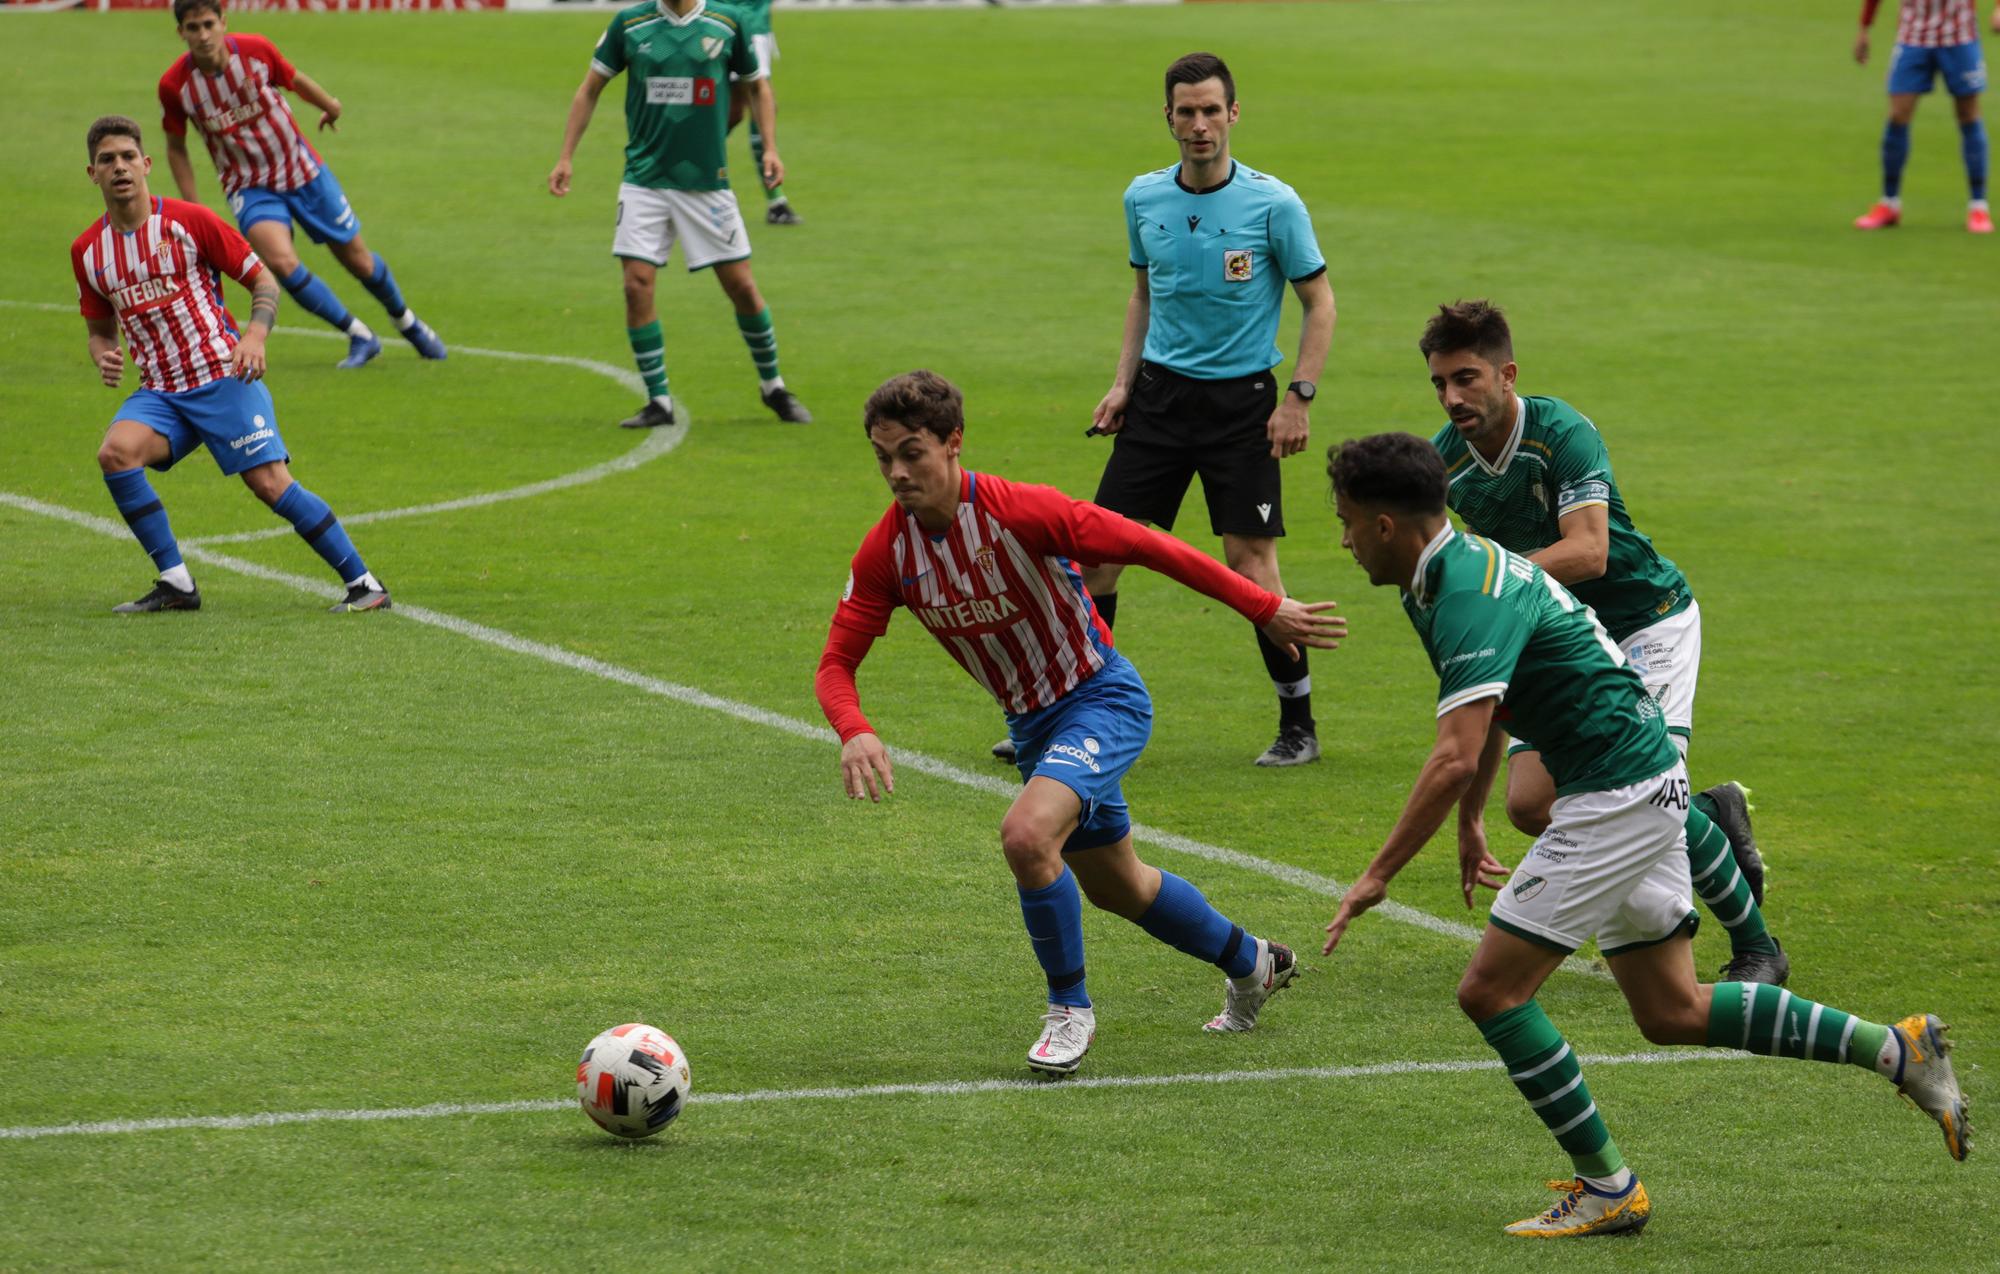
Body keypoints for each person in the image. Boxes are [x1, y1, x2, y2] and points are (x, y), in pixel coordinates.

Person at [1320, 432, 1967, 1237]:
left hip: (1612, 792)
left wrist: (1376, 876)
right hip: (1638, 775)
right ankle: (1897, 1048)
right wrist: (1473, 821)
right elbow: (1482, 720)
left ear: (1386, 524)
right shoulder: (1447, 573)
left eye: (1347, 521)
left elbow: (1452, 755)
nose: (1342, 540)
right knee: (1670, 1010)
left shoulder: (1461, 591)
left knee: (1491, 992)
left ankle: (1609, 1188)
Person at [816, 371, 1345, 1075]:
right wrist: (854, 728)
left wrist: (1261, 605)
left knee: (1027, 835)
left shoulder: (1020, 511)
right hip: (1036, 729)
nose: (897, 471)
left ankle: (1069, 1012)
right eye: (884, 457)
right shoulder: (888, 553)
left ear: (953, 443)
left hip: (1102, 699)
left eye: (912, 452)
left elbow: (1149, 546)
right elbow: (835, 664)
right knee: (1117, 886)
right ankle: (1254, 961)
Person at [1419, 301, 1788, 986]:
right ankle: (1716, 813)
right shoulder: (1446, 469)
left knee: (1648, 795)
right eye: (1439, 383)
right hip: (1564, 637)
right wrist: (1470, 816)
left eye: (1466, 378)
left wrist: (1493, 580)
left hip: (1645, 621)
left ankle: (1757, 946)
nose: (1452, 398)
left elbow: (1589, 552)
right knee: (1530, 804)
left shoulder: (1561, 432)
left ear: (1507, 374)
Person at [1028, 50, 1335, 770]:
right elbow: (1144, 294)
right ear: (1167, 118)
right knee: (1096, 558)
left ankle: (1300, 725)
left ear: (1234, 114)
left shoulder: (1273, 204)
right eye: (1185, 112)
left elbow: (1319, 303)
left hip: (1244, 409)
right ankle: (1080, 717)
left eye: (1210, 110)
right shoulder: (1144, 198)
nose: (1199, 124)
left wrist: (1299, 396)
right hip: (1160, 403)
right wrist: (1121, 384)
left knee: (1251, 568)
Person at [73, 116, 389, 615]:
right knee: (116, 453)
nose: (120, 168)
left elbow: (264, 281)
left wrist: (255, 337)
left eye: (128, 157)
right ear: (92, 173)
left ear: (146, 164)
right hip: (160, 393)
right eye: (108, 160)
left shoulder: (189, 221)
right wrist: (103, 356)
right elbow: (98, 331)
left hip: (223, 376)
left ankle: (364, 584)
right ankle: (177, 584)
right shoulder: (88, 252)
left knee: (268, 484)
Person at [548, 0, 810, 429]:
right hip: (644, 181)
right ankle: (659, 400)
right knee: (636, 286)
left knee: (742, 287)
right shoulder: (629, 24)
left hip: (707, 183)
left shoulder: (729, 23)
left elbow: (759, 88)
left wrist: (772, 148)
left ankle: (773, 386)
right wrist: (565, 157)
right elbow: (589, 88)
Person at [159, 0, 448, 368]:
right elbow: (175, 147)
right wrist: (193, 205)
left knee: (359, 261)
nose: (202, 34)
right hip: (249, 186)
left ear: (223, 22)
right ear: (180, 32)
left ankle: (407, 321)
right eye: (193, 27)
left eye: (208, 24)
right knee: (281, 262)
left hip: (302, 170)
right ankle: (359, 335)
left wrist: (330, 105)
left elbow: (293, 79)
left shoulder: (255, 51)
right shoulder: (175, 86)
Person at [1852, 0, 1991, 233]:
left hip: (1959, 37)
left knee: (1968, 114)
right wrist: (1865, 28)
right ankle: (1889, 203)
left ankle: (1978, 206)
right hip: (1913, 37)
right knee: (1897, 115)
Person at [723, 0, 800, 225]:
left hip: (752, 22)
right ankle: (776, 202)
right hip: (742, 22)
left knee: (735, 111)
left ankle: (684, 167)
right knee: (762, 103)